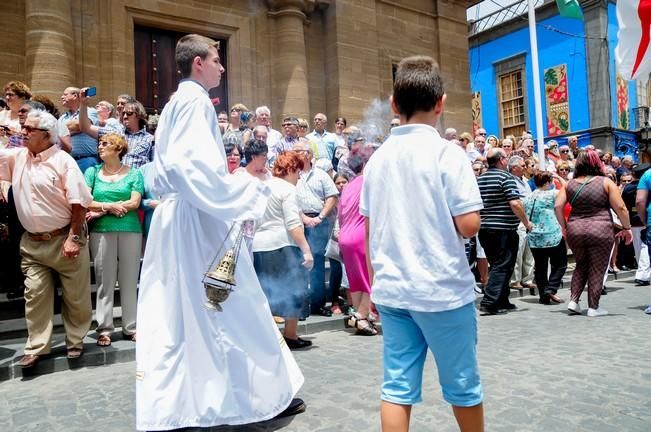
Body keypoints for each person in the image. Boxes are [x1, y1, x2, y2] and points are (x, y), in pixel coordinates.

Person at [135, 34, 304, 431]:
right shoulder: (194, 102)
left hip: (180, 218)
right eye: (216, 59)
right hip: (199, 220)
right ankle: (264, 397)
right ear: (198, 63)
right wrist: (244, 189)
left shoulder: (177, 102)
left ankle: (185, 404)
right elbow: (189, 169)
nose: (222, 67)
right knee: (236, 303)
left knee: (182, 314)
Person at [361, 55, 484, 432]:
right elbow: (469, 224)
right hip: (441, 290)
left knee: (397, 387)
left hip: (393, 289)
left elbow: (369, 228)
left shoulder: (377, 160)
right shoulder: (448, 153)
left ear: (394, 105)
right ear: (441, 103)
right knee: (463, 385)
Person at [0, 109, 93, 368]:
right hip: (32, 243)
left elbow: (80, 203)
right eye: (23, 127)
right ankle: (37, 346)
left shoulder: (63, 161)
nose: (23, 132)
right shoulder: (17, 157)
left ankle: (75, 340)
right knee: (35, 294)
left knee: (76, 297)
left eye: (29, 129)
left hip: (65, 238)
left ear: (47, 135)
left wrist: (73, 237)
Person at [555, 150, 632, 317]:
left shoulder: (569, 184)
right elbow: (621, 208)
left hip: (575, 229)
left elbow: (557, 207)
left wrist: (564, 226)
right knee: (597, 267)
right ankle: (593, 307)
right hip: (600, 228)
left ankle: (574, 301)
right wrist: (626, 227)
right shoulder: (606, 182)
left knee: (581, 265)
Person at [84, 133, 143, 346]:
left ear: (118, 149)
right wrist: (109, 207)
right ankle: (105, 328)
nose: (100, 147)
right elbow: (85, 199)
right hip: (101, 231)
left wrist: (105, 208)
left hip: (130, 229)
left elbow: (135, 202)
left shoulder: (134, 173)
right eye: (100, 144)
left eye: (105, 144)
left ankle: (131, 327)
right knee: (104, 281)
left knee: (129, 280)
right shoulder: (92, 172)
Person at [253, 151, 314, 349]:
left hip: (258, 245)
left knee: (266, 291)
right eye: (298, 173)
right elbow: (293, 224)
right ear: (292, 169)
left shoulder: (262, 186)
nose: (299, 178)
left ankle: (266, 336)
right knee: (294, 290)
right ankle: (290, 335)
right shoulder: (288, 189)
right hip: (283, 245)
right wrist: (306, 250)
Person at [478, 148, 533, 315]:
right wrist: (526, 222)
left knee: (500, 265)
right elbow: (515, 203)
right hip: (503, 229)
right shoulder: (506, 177)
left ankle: (502, 300)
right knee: (502, 265)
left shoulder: (480, 179)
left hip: (486, 228)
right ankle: (489, 301)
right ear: (501, 160)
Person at [293, 139, 339, 317]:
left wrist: (320, 216)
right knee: (299, 262)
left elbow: (332, 196)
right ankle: (301, 306)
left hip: (319, 222)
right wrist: (302, 217)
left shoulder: (321, 174)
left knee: (317, 263)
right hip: (297, 221)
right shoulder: (290, 173)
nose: (294, 153)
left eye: (298, 150)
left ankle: (318, 304)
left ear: (309, 154)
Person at [339, 153, 377, 336]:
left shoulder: (348, 186)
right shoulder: (368, 183)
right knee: (370, 276)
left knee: (355, 279)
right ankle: (362, 315)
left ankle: (358, 314)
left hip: (345, 236)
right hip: (361, 234)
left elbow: (341, 213)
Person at [524, 172, 567, 305]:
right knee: (560, 264)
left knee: (540, 267)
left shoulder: (528, 197)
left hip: (535, 235)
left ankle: (543, 295)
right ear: (547, 182)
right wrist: (560, 177)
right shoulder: (553, 194)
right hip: (552, 233)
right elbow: (568, 188)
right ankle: (550, 289)